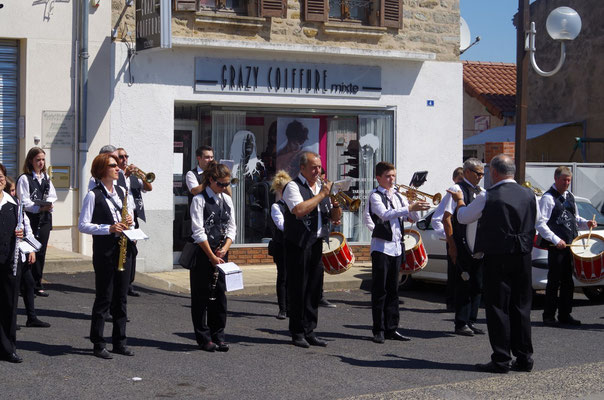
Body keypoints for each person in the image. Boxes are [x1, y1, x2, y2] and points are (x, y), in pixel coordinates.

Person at [449, 154, 538, 374]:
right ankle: (525, 358)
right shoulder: (530, 194)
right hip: (523, 255)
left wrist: (460, 200)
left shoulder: (488, 195)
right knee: (521, 307)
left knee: (498, 308)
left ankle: (501, 359)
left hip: (498, 256)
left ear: (495, 173)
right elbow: (534, 222)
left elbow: (463, 217)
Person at [365, 162, 430, 344]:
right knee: (380, 290)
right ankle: (378, 329)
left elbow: (413, 218)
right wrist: (409, 207)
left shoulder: (399, 196)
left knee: (393, 290)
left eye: (393, 175)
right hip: (381, 247)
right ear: (378, 178)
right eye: (387, 176)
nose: (391, 179)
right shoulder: (375, 195)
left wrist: (414, 204)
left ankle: (392, 328)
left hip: (396, 247)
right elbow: (385, 214)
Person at [79, 153, 136, 359]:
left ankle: (120, 341)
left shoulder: (122, 191)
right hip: (105, 253)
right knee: (104, 298)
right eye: (113, 165)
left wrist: (130, 223)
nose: (118, 168)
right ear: (103, 170)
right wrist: (108, 228)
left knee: (121, 299)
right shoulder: (93, 195)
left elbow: (130, 220)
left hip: (124, 249)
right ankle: (98, 343)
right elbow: (83, 225)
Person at [282, 152, 342, 348]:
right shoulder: (292, 186)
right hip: (298, 243)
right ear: (302, 168)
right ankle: (297, 332)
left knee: (313, 289)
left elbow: (334, 217)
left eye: (319, 167)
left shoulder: (319, 187)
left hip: (316, 242)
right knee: (298, 288)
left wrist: (335, 205)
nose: (318, 171)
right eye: (314, 167)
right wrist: (323, 194)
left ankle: (310, 330)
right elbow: (299, 210)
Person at [536, 166, 596, 327]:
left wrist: (586, 223)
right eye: (564, 180)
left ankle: (565, 314)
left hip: (571, 244)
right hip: (556, 246)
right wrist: (556, 240)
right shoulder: (548, 198)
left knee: (568, 281)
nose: (567, 183)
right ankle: (548, 315)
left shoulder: (569, 196)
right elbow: (541, 224)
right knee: (554, 281)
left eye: (569, 180)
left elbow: (573, 217)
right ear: (556, 179)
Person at [433, 159, 486, 336]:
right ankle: (461, 322)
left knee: (477, 284)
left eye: (482, 174)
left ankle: (471, 320)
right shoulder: (457, 190)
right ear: (468, 172)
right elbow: (446, 218)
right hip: (461, 245)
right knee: (464, 283)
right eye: (478, 173)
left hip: (477, 245)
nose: (480, 177)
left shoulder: (482, 192)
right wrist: (452, 245)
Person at [189, 161, 236, 352]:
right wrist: (210, 255)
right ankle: (203, 337)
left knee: (220, 295)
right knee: (201, 296)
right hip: (203, 253)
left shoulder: (226, 199)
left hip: (221, 252)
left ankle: (219, 335)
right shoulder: (199, 200)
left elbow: (232, 227)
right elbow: (198, 231)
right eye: (221, 184)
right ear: (210, 180)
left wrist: (225, 248)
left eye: (227, 184)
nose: (225, 188)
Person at [5, 177, 50, 329]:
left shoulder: (18, 206)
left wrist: (31, 249)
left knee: (29, 283)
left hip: (22, 251)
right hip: (9, 254)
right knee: (11, 288)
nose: (14, 193)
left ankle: (31, 317)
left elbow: (27, 227)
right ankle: (9, 320)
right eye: (11, 190)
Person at [0, 163, 32, 363]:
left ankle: (8, 347)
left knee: (9, 305)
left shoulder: (14, 204)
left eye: (2, 175)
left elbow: (25, 229)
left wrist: (21, 233)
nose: (0, 179)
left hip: (10, 261)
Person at [17, 147, 57, 298]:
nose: (41, 163)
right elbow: (23, 202)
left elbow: (52, 195)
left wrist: (49, 204)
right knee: (28, 252)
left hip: (45, 219)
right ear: (30, 161)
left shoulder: (46, 178)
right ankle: (25, 286)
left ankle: (37, 284)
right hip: (31, 219)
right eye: (37, 160)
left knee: (41, 252)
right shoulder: (25, 179)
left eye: (42, 160)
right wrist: (39, 207)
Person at [116, 148, 153, 298]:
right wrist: (127, 174)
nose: (125, 159)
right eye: (121, 157)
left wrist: (141, 175)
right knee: (122, 252)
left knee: (132, 250)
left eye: (126, 156)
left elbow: (149, 187)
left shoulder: (133, 176)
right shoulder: (116, 175)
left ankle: (129, 282)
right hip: (120, 217)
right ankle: (122, 283)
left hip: (133, 216)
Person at [432, 166, 465, 311]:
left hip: (464, 239)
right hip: (453, 238)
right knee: (454, 273)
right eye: (460, 180)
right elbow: (438, 218)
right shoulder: (454, 190)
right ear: (454, 180)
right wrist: (447, 236)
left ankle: (459, 303)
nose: (461, 184)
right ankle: (452, 302)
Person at [269, 170, 291, 320]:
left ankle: (292, 306)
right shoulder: (277, 207)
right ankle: (283, 308)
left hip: (294, 244)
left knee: (294, 277)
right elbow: (282, 225)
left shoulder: (296, 204)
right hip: (281, 245)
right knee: (282, 276)